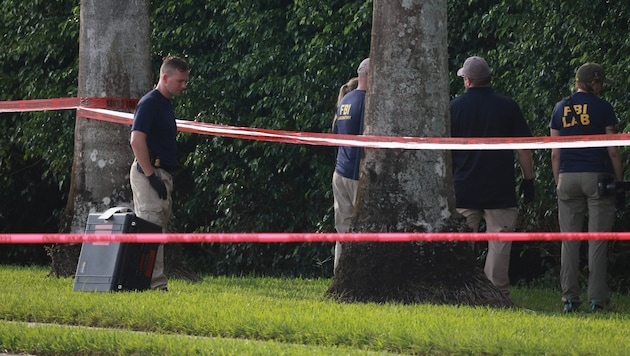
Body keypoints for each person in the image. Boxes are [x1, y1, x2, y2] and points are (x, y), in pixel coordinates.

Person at [450, 56, 535, 299]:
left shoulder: (454, 107)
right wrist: (528, 180)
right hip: (500, 189)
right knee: (499, 246)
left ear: (467, 80)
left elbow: (443, 150)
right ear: (489, 79)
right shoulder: (508, 106)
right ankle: (495, 296)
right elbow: (524, 149)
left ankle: (462, 293)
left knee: (462, 246)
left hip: (464, 187)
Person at [549, 62, 622, 313]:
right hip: (598, 177)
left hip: (567, 176)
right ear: (594, 82)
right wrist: (619, 181)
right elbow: (612, 148)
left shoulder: (560, 108)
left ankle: (570, 299)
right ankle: (597, 301)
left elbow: (555, 153)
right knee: (597, 240)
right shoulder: (603, 108)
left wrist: (559, 181)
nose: (601, 88)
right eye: (600, 83)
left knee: (569, 240)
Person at [129, 56, 190, 291]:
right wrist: (150, 175)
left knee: (158, 230)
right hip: (149, 172)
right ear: (165, 77)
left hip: (161, 173)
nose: (183, 85)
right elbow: (136, 140)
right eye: (180, 81)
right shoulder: (150, 103)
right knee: (150, 229)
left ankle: (152, 283)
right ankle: (153, 286)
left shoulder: (165, 103)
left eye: (185, 81)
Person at [332, 58, 369, 274]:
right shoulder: (367, 102)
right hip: (357, 174)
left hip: (340, 171)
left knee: (342, 229)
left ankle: (340, 274)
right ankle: (360, 276)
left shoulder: (345, 100)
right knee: (364, 228)